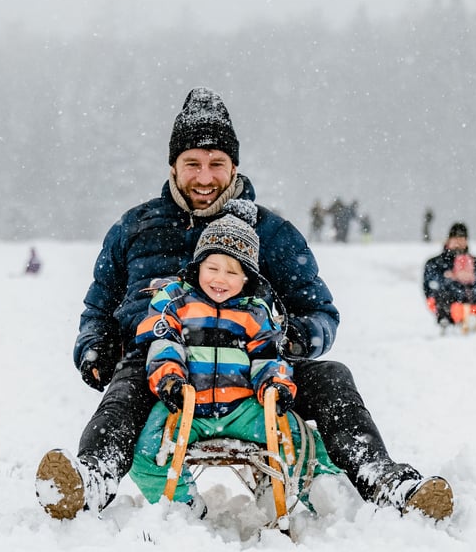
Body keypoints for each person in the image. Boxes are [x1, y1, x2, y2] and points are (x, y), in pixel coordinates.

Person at [35, 87, 453, 522]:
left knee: (333, 378)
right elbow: (98, 308)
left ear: (234, 166)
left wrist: (288, 341)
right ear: (173, 166)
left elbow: (322, 314)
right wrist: (95, 346)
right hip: (160, 363)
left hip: (253, 366)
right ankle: (90, 479)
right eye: (192, 163)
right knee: (121, 399)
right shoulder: (136, 227)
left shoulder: (270, 232)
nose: (204, 176)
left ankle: (386, 482)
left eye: (217, 164)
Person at [125, 200, 340, 511]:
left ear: (246, 278)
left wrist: (275, 385)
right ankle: (180, 504)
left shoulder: (253, 311)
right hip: (188, 405)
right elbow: (163, 343)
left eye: (232, 272)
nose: (220, 279)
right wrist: (169, 379)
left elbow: (269, 356)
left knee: (298, 436)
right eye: (212, 268)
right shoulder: (175, 302)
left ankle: (323, 490)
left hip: (243, 408)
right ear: (198, 267)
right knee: (147, 446)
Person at [423, 222, 476, 329]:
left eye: (462, 239)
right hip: (451, 303)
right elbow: (432, 287)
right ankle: (447, 324)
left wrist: (472, 281)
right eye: (455, 239)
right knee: (442, 297)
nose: (458, 243)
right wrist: (453, 279)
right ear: (448, 240)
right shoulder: (435, 263)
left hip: (474, 301)